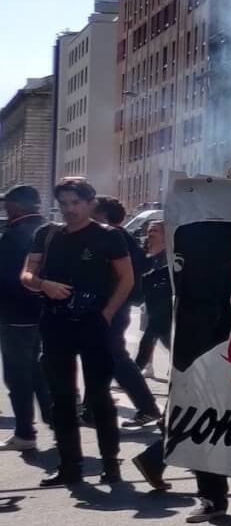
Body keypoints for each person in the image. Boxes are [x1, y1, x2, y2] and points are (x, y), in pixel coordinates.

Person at [23, 177, 134, 488]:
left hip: (93, 324)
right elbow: (27, 273)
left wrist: (108, 312)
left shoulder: (108, 236)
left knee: (99, 397)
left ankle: (111, 464)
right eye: (64, 204)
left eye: (76, 203)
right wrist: (43, 284)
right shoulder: (47, 234)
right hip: (55, 323)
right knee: (60, 399)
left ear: (89, 203)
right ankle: (69, 465)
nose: (69, 209)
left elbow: (126, 279)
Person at [88, 196, 163, 427]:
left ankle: (147, 407)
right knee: (101, 357)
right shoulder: (114, 236)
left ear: (103, 215)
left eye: (91, 210)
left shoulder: (115, 236)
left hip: (113, 307)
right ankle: (90, 408)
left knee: (115, 358)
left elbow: (133, 271)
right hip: (108, 306)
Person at [0, 185, 52, 452]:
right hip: (44, 312)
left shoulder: (14, 235)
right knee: (37, 370)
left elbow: (7, 278)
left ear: (18, 206)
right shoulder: (48, 229)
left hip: (17, 314)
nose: (5, 208)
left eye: (7, 203)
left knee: (18, 376)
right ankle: (56, 420)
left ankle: (24, 433)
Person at [132, 219, 172, 380]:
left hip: (163, 308)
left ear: (164, 235)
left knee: (150, 339)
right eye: (149, 230)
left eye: (155, 230)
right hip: (150, 306)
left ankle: (133, 376)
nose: (150, 234)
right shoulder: (148, 255)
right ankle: (144, 369)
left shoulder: (168, 256)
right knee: (159, 340)